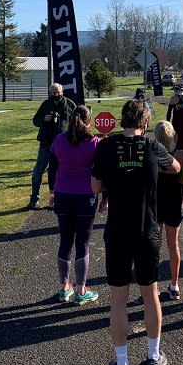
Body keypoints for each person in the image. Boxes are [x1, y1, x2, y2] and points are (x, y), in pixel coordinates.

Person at [91, 100, 180, 365]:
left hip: (117, 231)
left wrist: (115, 181)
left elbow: (95, 186)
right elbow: (176, 168)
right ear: (145, 121)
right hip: (146, 232)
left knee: (118, 300)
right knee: (150, 294)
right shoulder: (154, 147)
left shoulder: (106, 146)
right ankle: (153, 358)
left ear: (122, 120)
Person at [50, 105, 101, 305]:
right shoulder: (94, 143)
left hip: (63, 194)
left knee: (65, 241)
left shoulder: (59, 140)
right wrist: (104, 197)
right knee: (83, 243)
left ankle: (64, 287)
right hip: (86, 197)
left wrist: (51, 192)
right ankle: (80, 289)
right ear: (89, 121)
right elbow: (99, 172)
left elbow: (52, 167)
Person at [153, 121, 183, 300]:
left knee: (155, 245)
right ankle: (174, 285)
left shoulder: (152, 153)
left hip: (157, 202)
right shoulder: (180, 154)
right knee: (173, 244)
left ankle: (154, 286)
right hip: (174, 202)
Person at [28, 83, 76, 209]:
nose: (56, 95)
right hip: (46, 144)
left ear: (62, 92)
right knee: (38, 171)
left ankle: (61, 198)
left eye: (58, 92)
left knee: (62, 172)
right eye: (54, 93)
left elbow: (77, 123)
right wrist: (44, 119)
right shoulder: (45, 104)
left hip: (63, 146)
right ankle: (34, 198)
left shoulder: (70, 104)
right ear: (50, 93)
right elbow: (35, 121)